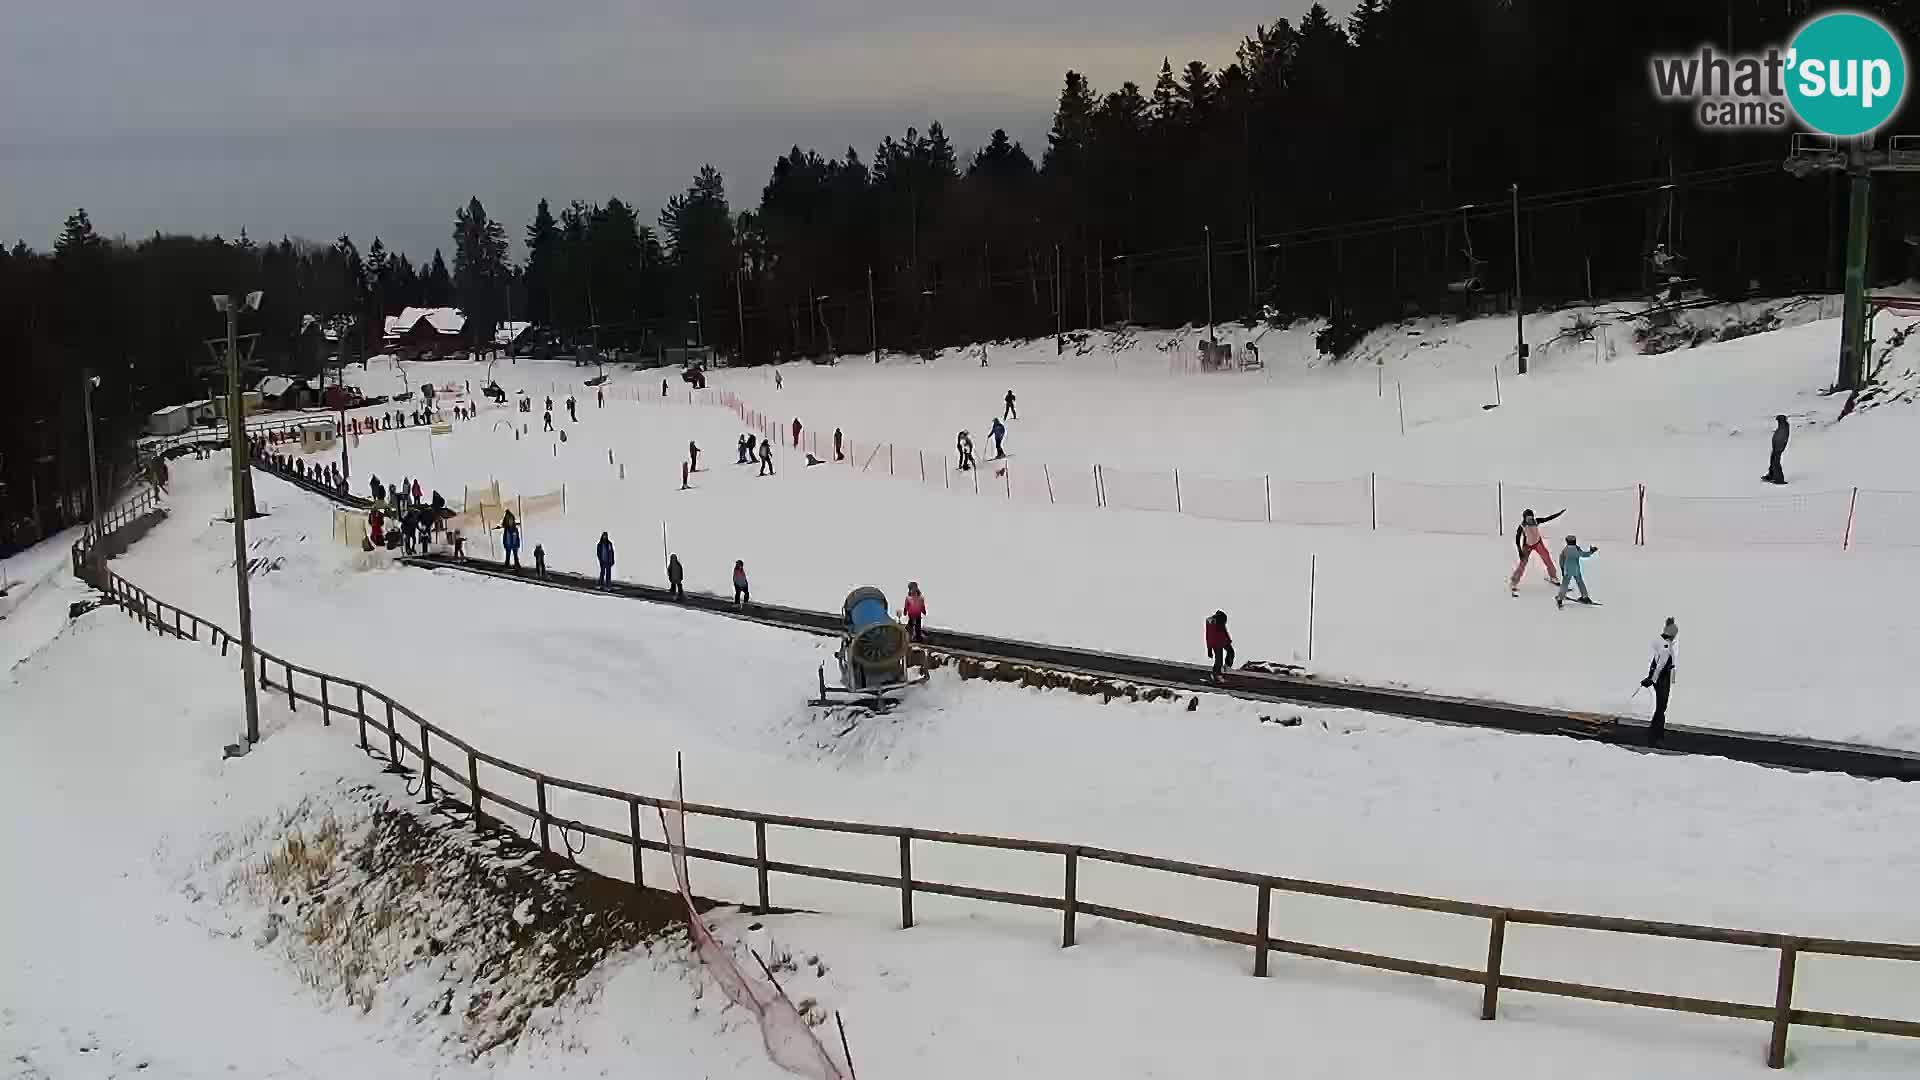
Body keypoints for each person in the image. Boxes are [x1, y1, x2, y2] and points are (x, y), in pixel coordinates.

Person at [1509, 508, 1565, 595]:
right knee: (1522, 564)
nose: (1530, 520)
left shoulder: (1536, 521)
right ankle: (1514, 582)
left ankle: (1553, 576)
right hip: (1527, 545)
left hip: (1538, 543)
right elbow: (1517, 540)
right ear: (1524, 518)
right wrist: (1520, 551)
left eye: (1531, 517)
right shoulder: (1522, 526)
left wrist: (1559, 514)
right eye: (1528, 518)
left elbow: (1548, 518)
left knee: (1547, 558)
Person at [1641, 618, 1679, 746]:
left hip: (1661, 679)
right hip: (1663, 681)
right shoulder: (1666, 647)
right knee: (1661, 708)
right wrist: (1652, 679)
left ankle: (1653, 733)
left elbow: (1655, 662)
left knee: (1660, 708)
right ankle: (1656, 737)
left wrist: (1651, 677)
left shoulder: (1662, 643)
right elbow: (1660, 665)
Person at [1555, 535, 1599, 609]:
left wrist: (1562, 569)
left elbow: (1561, 560)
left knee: (1565, 584)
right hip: (1576, 569)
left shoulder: (1565, 550)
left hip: (1568, 570)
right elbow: (1584, 554)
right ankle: (1585, 597)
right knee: (1580, 582)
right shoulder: (1577, 549)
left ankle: (1560, 598)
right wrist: (1591, 551)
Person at [1205, 610, 1234, 680]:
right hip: (1216, 644)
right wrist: (1209, 649)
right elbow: (1208, 636)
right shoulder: (1212, 623)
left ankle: (1226, 666)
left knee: (1231, 652)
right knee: (1219, 660)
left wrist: (1229, 640)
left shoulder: (1220, 621)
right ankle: (1216, 674)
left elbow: (1224, 631)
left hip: (1223, 640)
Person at [1765, 414, 1790, 484]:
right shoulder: (1782, 427)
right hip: (1776, 446)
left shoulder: (1784, 427)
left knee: (1776, 462)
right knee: (1773, 460)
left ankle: (1779, 479)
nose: (1778, 422)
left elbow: (1782, 439)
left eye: (1778, 420)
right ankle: (1771, 475)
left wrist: (1778, 447)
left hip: (1778, 448)